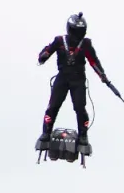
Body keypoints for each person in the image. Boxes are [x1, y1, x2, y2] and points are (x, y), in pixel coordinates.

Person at [35, 12, 110, 150]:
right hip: (63, 77)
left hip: (78, 80)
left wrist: (102, 76)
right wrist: (43, 56)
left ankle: (83, 135)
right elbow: (47, 51)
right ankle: (46, 132)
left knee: (80, 108)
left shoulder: (86, 44)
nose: (77, 35)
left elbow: (93, 61)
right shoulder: (59, 41)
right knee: (53, 106)